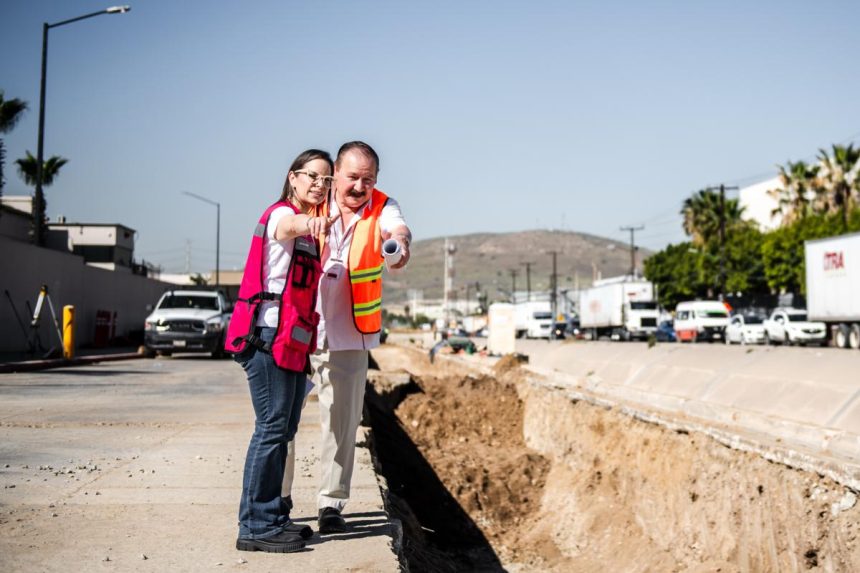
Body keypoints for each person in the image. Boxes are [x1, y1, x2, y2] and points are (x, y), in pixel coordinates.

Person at [284, 141, 411, 534]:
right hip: (300, 330)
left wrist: (398, 246)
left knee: (341, 424)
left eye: (367, 180)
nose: (359, 187)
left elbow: (398, 232)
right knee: (282, 420)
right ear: (335, 173)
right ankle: (278, 498)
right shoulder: (312, 200)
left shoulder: (383, 207)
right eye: (352, 177)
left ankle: (331, 503)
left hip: (351, 334)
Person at [226, 149, 339, 553]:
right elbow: (290, 225)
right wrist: (315, 220)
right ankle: (255, 525)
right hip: (267, 337)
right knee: (271, 428)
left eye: (326, 180)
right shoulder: (282, 216)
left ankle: (273, 516)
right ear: (293, 177)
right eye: (312, 176)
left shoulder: (308, 231)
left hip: (293, 340)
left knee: (285, 430)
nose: (319, 185)